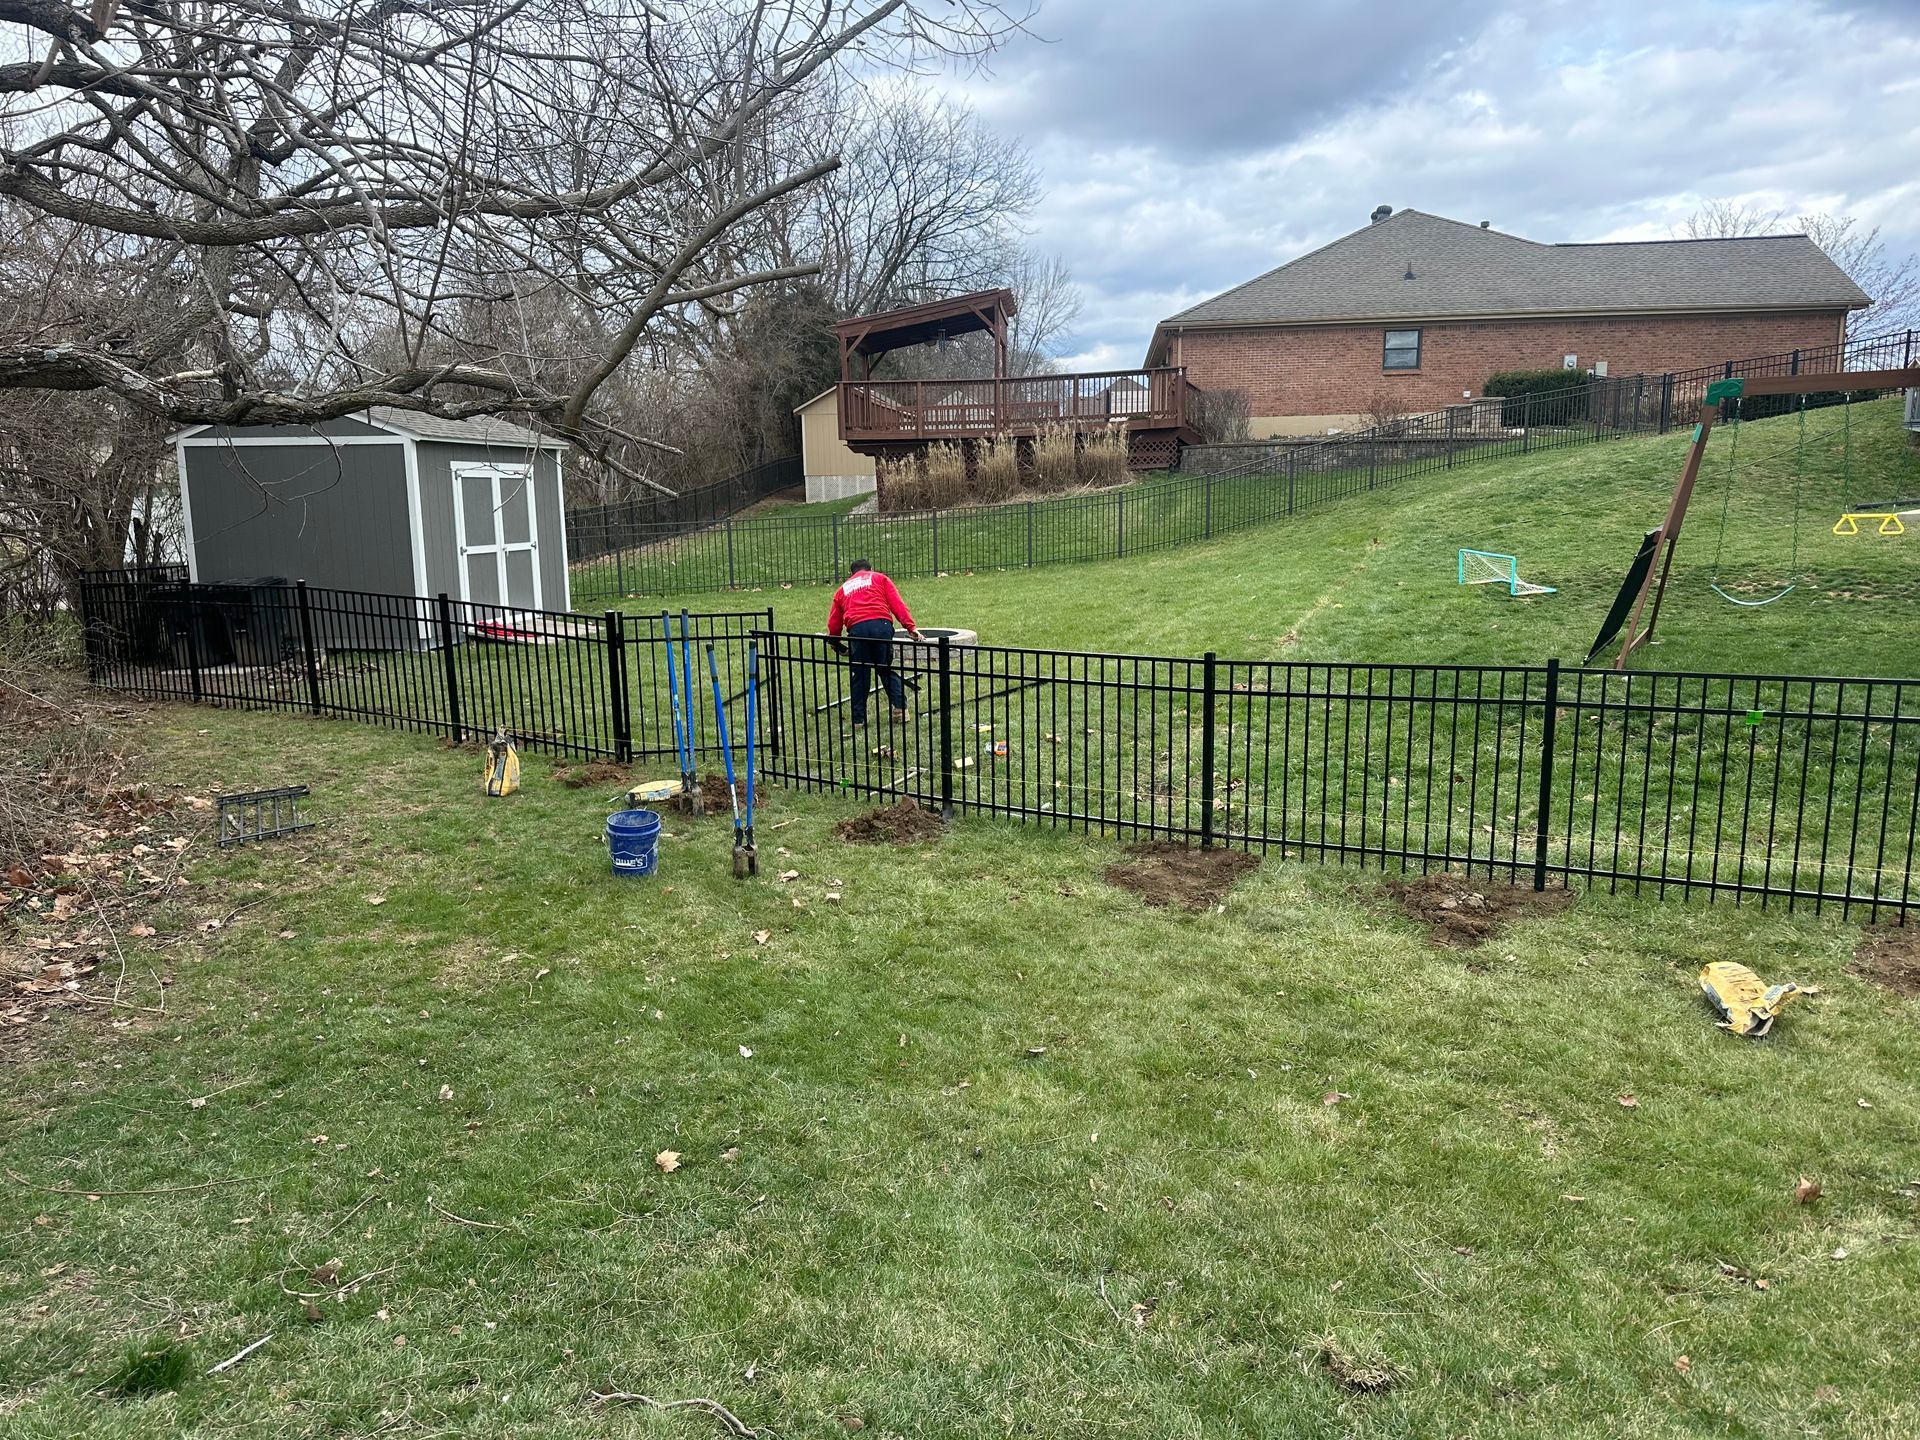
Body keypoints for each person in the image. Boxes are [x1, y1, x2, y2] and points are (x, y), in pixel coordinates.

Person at [826, 559, 921, 730]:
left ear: (851, 574)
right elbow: (896, 603)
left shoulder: (842, 590)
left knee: (861, 675)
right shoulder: (879, 578)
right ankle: (900, 710)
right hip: (881, 626)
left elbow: (834, 622)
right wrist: (910, 627)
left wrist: (834, 641)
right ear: (871, 569)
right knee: (884, 668)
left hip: (857, 629)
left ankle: (858, 720)